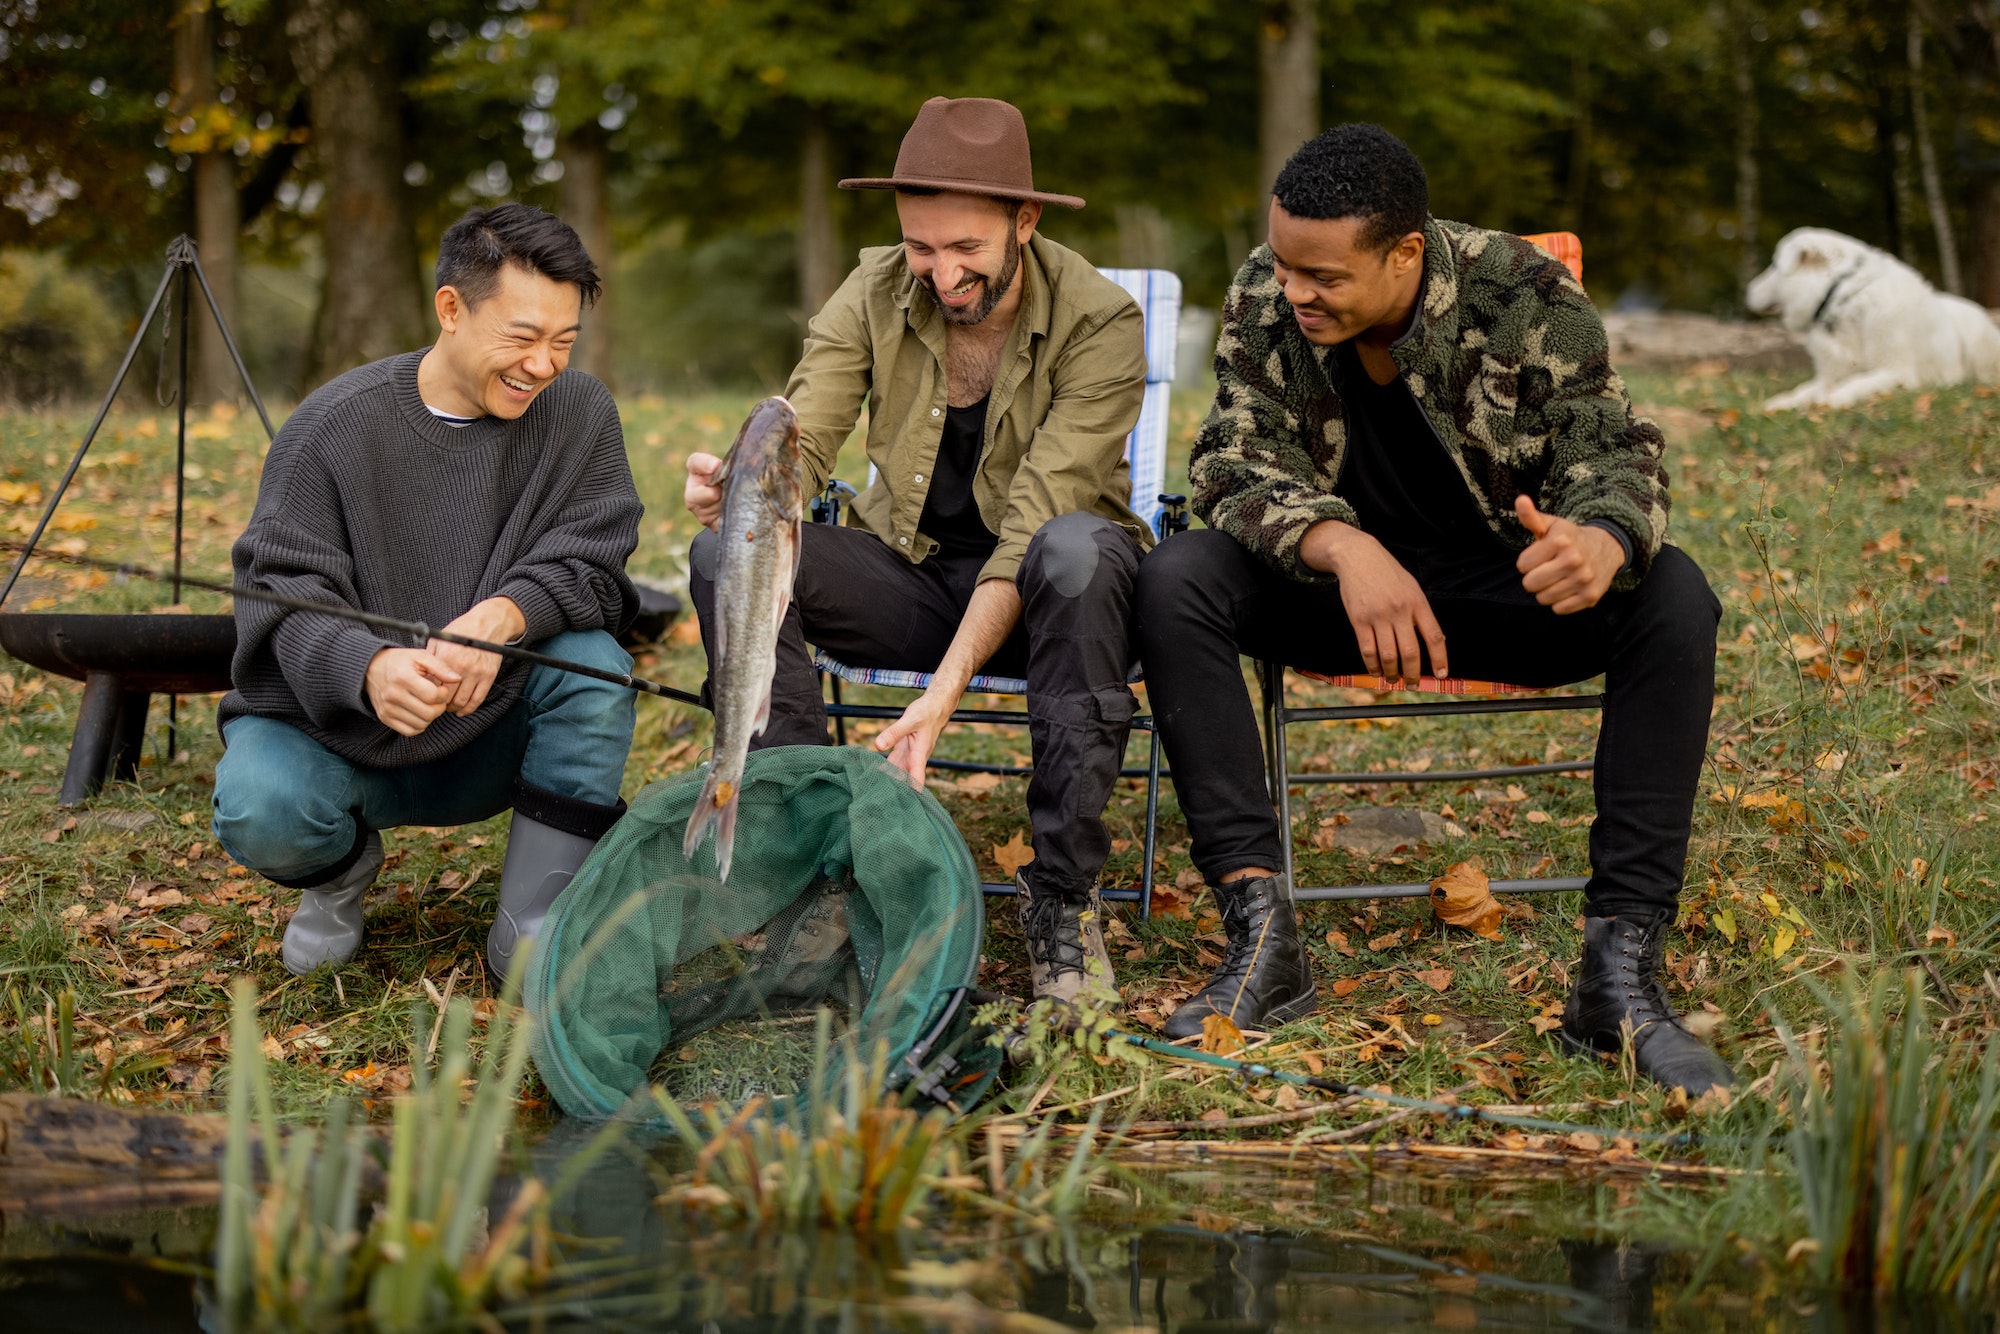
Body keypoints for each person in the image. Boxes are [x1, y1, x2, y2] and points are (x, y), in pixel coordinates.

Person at [1133, 124, 1733, 1096]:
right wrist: (1344, 546)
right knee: (1176, 576)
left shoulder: (1524, 291)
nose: (1293, 290)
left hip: (1509, 594)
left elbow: (1615, 446)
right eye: (1284, 264)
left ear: (1404, 252)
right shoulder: (1263, 290)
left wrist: (1600, 539)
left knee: (1674, 594)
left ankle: (1615, 976)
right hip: (1338, 597)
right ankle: (1260, 938)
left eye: (1321, 275)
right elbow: (1228, 460)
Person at [684, 97, 1149, 1005]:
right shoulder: (872, 290)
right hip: (913, 574)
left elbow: (1034, 532)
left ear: (1026, 219)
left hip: (1057, 605)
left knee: (1075, 550)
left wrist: (943, 695)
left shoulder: (1102, 321)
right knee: (717, 558)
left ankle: (1061, 898)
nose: (940, 271)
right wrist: (742, 491)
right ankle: (801, 862)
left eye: (966, 247)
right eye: (921, 246)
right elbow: (804, 437)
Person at [212, 202, 642, 983]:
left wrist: (511, 613)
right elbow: (277, 595)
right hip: (337, 734)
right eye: (521, 337)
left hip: (494, 727)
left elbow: (600, 563)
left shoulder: (581, 415)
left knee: (595, 663)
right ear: (451, 309)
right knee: (258, 801)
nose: (543, 365)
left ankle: (534, 917)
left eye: (563, 342)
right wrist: (365, 667)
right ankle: (338, 874)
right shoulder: (330, 428)